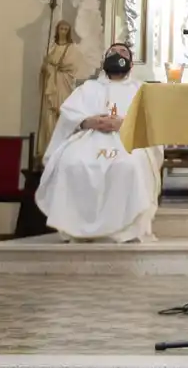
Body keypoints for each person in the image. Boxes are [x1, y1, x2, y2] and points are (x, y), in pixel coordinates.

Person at [36, 42, 164, 242]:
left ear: (131, 64)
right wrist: (87, 121)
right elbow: (69, 114)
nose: (117, 55)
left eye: (123, 52)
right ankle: (75, 228)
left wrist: (124, 124)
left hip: (127, 140)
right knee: (71, 162)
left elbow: (152, 121)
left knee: (129, 165)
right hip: (89, 137)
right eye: (112, 52)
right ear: (104, 61)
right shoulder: (89, 88)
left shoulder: (141, 90)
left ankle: (126, 230)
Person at [37, 19, 82, 158]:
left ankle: (62, 151)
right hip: (51, 85)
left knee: (62, 114)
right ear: (57, 30)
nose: (63, 31)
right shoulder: (51, 47)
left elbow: (72, 67)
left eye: (65, 29)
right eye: (61, 29)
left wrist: (56, 66)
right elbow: (45, 65)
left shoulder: (71, 48)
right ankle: (47, 149)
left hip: (63, 85)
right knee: (49, 117)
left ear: (69, 31)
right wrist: (47, 68)